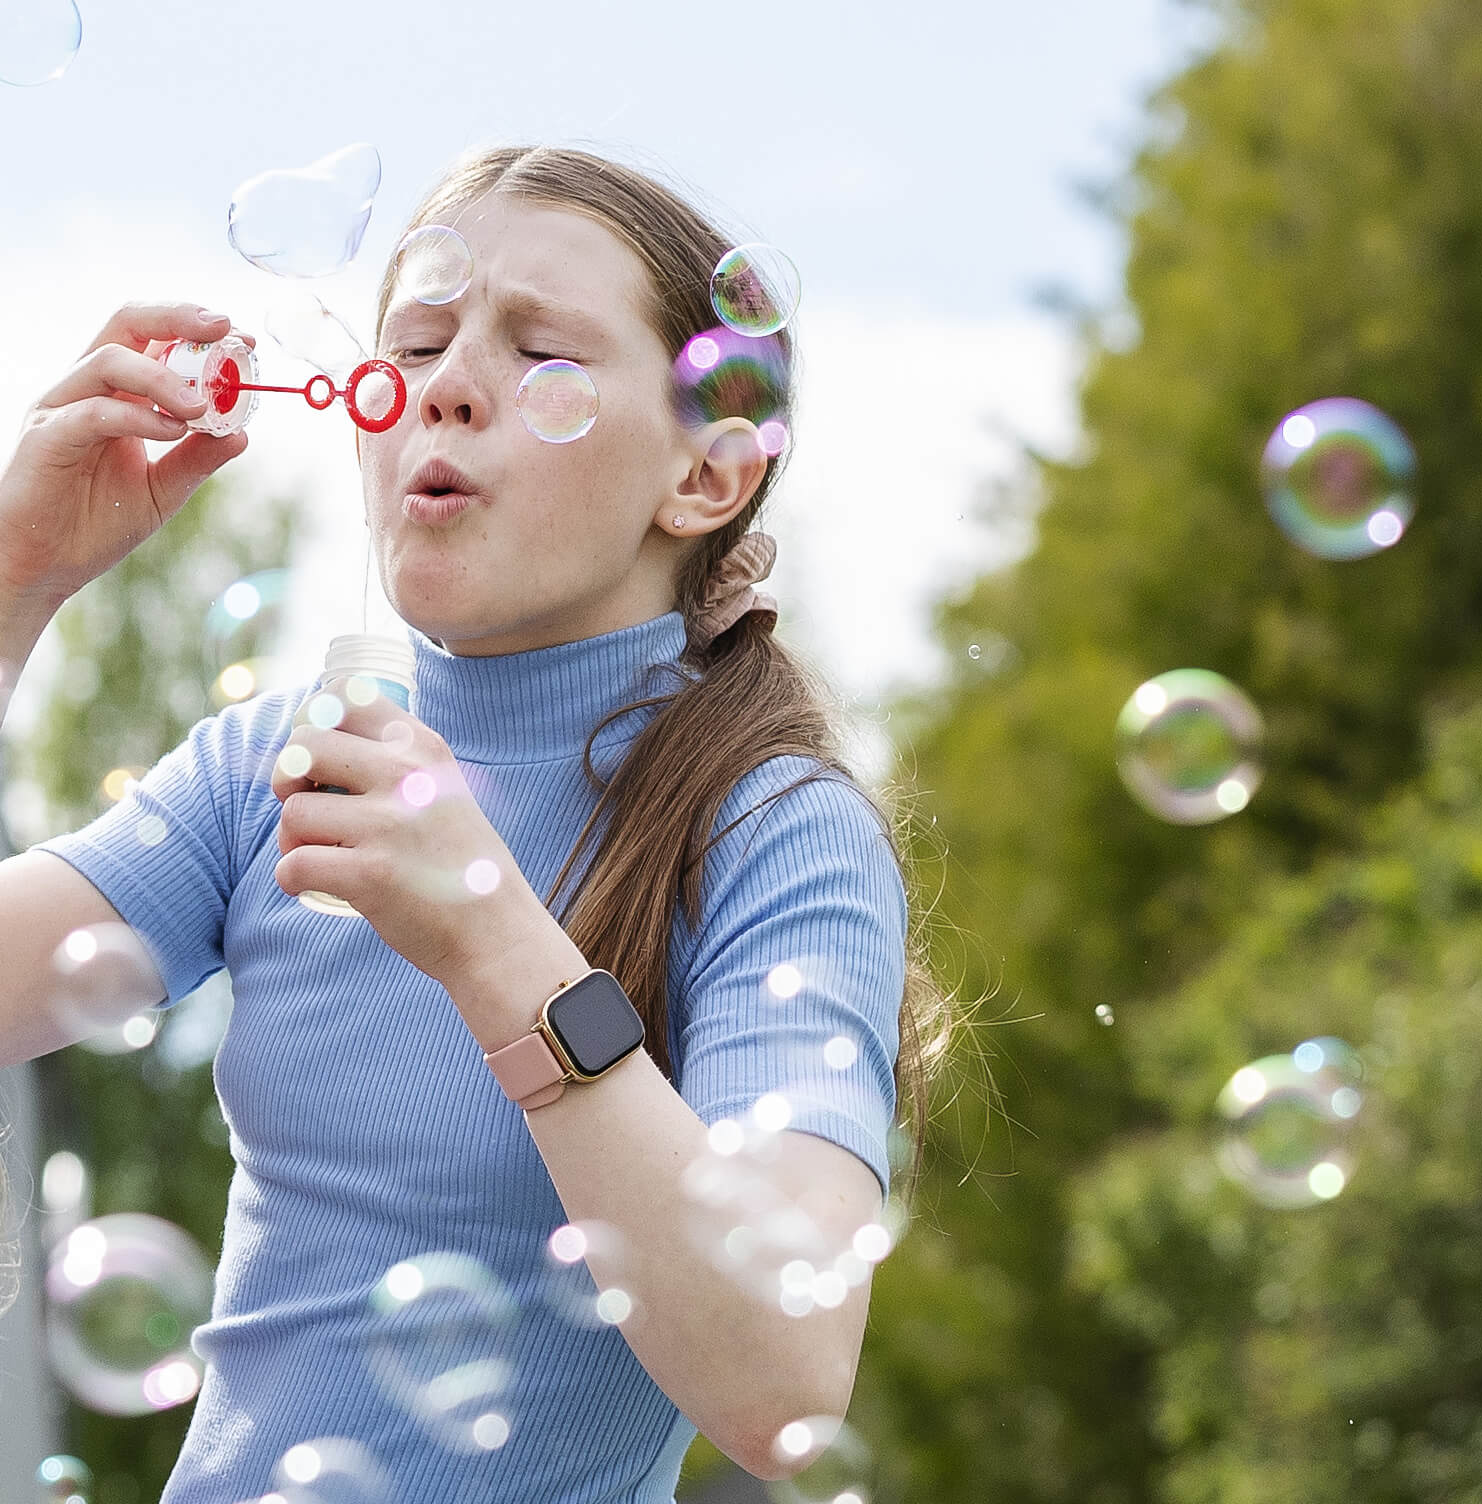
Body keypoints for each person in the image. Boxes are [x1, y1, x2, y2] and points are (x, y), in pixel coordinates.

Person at [0, 144, 950, 1501]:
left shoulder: (770, 830)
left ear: (706, 477)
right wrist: (13, 579)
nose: (444, 386)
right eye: (421, 342)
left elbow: (783, 1378)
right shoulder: (275, 767)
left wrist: (496, 942)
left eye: (539, 351)